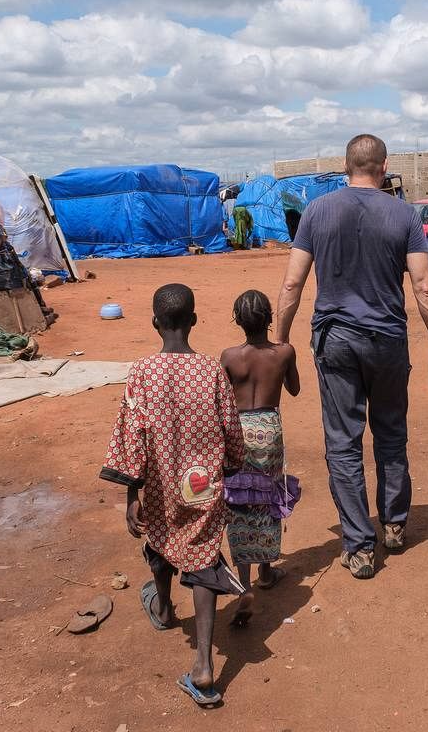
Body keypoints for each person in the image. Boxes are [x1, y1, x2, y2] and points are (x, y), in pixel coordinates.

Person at [275, 134, 428, 579]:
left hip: (335, 341)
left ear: (345, 166)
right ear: (384, 166)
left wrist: (281, 340)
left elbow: (293, 283)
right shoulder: (404, 215)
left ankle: (358, 546)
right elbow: (424, 286)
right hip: (387, 340)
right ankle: (393, 524)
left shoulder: (317, 211)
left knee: (343, 443)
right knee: (390, 433)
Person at [99, 284, 246, 707]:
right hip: (201, 485)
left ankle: (164, 610)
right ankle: (202, 664)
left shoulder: (143, 372)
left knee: (161, 537)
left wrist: (132, 493)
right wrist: (231, 465)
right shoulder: (211, 370)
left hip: (161, 483)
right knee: (202, 558)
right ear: (194, 321)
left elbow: (132, 434)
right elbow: (231, 428)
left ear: (154, 323)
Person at [220, 290, 300, 627]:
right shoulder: (284, 352)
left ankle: (244, 582)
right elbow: (294, 389)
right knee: (268, 498)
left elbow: (222, 400)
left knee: (238, 499)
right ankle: (266, 571)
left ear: (237, 320)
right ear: (269, 318)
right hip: (269, 430)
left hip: (238, 430)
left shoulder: (229, 356)